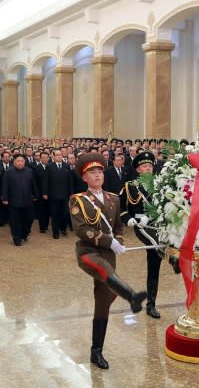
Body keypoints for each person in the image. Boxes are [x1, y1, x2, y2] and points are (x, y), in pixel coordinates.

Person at [70, 153, 147, 370]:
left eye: (99, 171)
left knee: (102, 303)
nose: (97, 175)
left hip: (108, 254)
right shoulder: (78, 200)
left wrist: (119, 241)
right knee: (104, 270)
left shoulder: (114, 198)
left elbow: (118, 227)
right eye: (91, 172)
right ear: (84, 177)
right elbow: (81, 229)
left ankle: (96, 352)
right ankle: (132, 296)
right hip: (88, 252)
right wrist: (107, 241)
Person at [119, 151, 163, 319]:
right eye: (144, 166)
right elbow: (121, 208)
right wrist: (128, 219)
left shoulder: (159, 184)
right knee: (157, 247)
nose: (148, 169)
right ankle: (172, 258)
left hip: (157, 224)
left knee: (154, 265)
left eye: (150, 166)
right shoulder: (129, 186)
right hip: (141, 225)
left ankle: (151, 304)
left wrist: (153, 216)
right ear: (138, 169)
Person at [1, 154, 39, 246]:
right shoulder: (8, 172)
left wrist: (36, 195)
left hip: (27, 200)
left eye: (22, 161)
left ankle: (24, 234)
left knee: (29, 219)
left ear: (24, 162)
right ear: (14, 162)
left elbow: (33, 184)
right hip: (13, 201)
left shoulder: (29, 171)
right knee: (15, 221)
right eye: (18, 161)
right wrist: (5, 198)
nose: (20, 163)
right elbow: (5, 186)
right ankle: (16, 238)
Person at [46, 149, 72, 239]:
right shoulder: (49, 166)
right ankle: (55, 232)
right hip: (53, 195)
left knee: (64, 213)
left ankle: (63, 229)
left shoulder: (67, 166)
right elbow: (46, 181)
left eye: (60, 155)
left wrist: (71, 193)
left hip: (65, 195)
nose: (59, 157)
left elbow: (70, 182)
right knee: (55, 214)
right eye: (56, 155)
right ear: (53, 157)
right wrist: (45, 193)